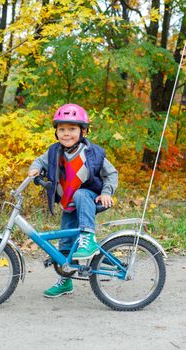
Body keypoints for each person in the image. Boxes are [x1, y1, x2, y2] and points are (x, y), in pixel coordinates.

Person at [28, 103, 118, 298]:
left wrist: (106, 192)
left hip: (90, 198)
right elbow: (39, 161)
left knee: (81, 193)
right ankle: (65, 280)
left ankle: (88, 238)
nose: (66, 134)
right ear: (56, 132)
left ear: (83, 131)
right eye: (61, 129)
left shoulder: (92, 153)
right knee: (65, 245)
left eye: (72, 129)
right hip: (68, 205)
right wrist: (34, 170)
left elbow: (111, 174)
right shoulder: (54, 152)